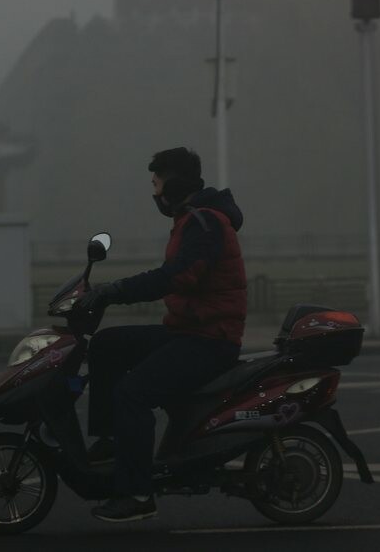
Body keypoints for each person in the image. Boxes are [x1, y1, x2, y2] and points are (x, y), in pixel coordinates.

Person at [74, 146, 247, 523]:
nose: (153, 193)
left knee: (132, 395)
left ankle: (137, 493)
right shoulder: (192, 219)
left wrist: (113, 291)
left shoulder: (206, 223)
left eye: (156, 184)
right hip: (187, 329)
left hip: (210, 340)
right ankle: (112, 442)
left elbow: (177, 276)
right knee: (106, 345)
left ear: (175, 185)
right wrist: (103, 294)